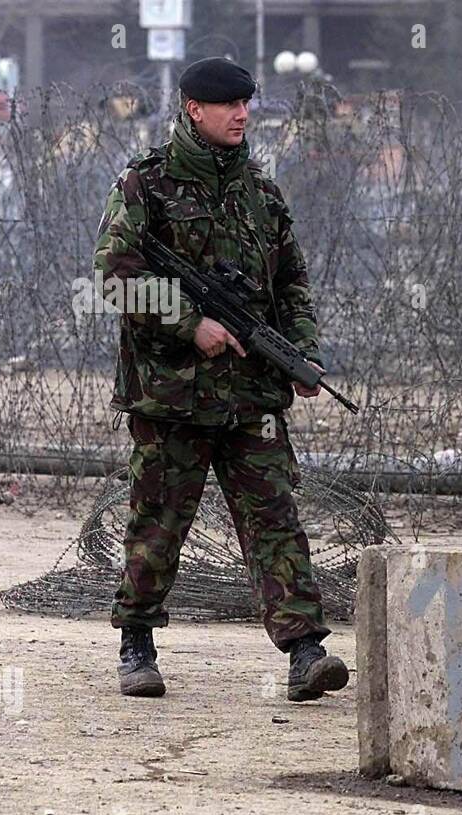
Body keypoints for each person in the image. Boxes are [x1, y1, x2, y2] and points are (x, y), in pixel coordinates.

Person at [95, 56, 349, 702]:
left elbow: (292, 284)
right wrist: (191, 323)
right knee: (158, 522)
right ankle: (136, 643)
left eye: (247, 103)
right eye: (228, 104)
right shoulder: (145, 186)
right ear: (193, 109)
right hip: (173, 393)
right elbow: (116, 276)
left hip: (250, 396)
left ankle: (305, 650)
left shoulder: (261, 197)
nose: (242, 114)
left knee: (275, 520)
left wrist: (304, 354)